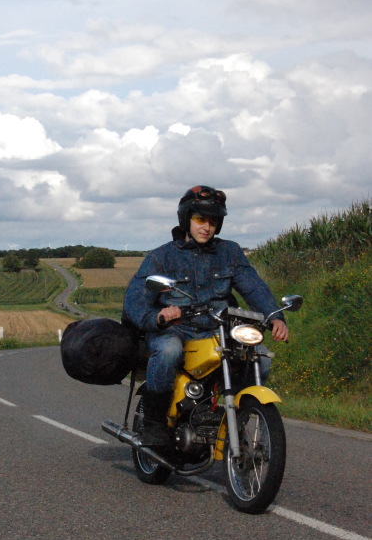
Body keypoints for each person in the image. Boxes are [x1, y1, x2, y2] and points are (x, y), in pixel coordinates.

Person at [123, 185, 289, 445]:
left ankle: (234, 417)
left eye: (213, 221)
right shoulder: (162, 257)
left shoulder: (229, 252)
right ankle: (154, 423)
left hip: (217, 329)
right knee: (168, 351)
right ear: (186, 219)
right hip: (175, 330)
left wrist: (275, 316)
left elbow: (253, 287)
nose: (207, 227)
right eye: (200, 219)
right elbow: (135, 300)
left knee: (260, 358)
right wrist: (158, 317)